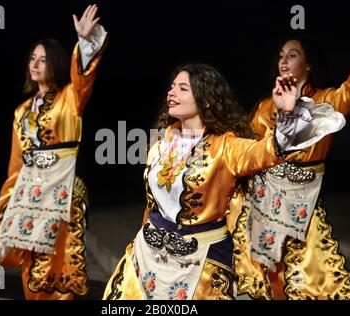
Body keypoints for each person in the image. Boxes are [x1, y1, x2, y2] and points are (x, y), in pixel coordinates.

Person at [103, 62, 338, 300]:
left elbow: (265, 153)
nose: (171, 93)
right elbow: (152, 206)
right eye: (172, 87)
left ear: (205, 100)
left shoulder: (225, 148)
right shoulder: (160, 143)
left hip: (199, 264)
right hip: (146, 257)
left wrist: (287, 114)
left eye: (183, 88)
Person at [0, 4, 107, 300]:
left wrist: (85, 43)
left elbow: (83, 78)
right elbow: (16, 164)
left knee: (56, 265)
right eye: (32, 58)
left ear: (56, 64)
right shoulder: (22, 112)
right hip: (30, 191)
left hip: (62, 192)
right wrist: (3, 210)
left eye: (43, 60)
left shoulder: (69, 99)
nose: (35, 64)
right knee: (30, 260)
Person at [229, 39, 350, 300]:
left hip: (302, 202)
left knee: (305, 274)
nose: (283, 60)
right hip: (262, 198)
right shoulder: (264, 107)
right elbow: (247, 151)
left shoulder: (324, 100)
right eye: (281, 55)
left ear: (309, 65)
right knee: (257, 269)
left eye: (292, 55)